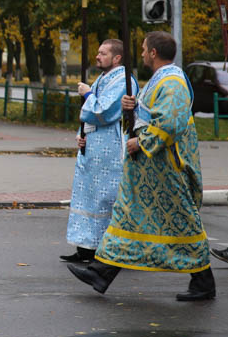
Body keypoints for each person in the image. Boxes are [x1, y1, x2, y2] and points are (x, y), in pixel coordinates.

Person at [68, 31, 215, 301]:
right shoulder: (159, 80)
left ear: (154, 53)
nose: (143, 53)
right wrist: (131, 108)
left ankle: (203, 281)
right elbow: (148, 115)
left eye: (145, 49)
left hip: (168, 168)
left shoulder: (171, 82)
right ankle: (102, 272)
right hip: (150, 170)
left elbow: (169, 123)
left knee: (183, 221)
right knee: (128, 216)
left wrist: (141, 142)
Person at [61, 40, 137, 263]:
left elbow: (103, 111)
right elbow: (87, 116)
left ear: (117, 58)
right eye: (97, 52)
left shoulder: (124, 81)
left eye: (103, 53)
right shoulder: (104, 79)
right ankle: (85, 247)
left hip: (110, 149)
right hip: (93, 149)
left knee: (105, 199)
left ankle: (105, 252)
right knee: (88, 199)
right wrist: (80, 134)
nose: (97, 56)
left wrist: (86, 94)